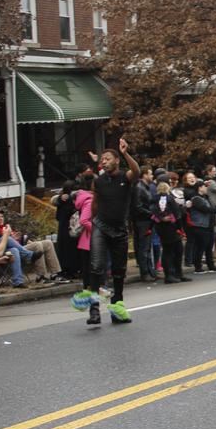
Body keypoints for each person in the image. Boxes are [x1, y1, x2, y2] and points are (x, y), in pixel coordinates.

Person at [85, 139, 140, 325]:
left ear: (116, 160)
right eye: (102, 159)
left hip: (120, 229)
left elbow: (137, 171)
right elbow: (95, 204)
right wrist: (92, 224)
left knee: (119, 271)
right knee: (96, 267)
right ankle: (94, 311)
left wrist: (125, 153)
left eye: (108, 158)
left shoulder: (125, 177)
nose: (104, 161)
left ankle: (117, 309)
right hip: (100, 226)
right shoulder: (98, 182)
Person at [151, 181, 189, 283]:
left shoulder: (154, 199)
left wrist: (160, 218)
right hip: (171, 228)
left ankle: (173, 274)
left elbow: (152, 213)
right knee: (175, 251)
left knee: (169, 250)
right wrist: (180, 228)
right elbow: (177, 214)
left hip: (161, 228)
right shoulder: (170, 199)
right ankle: (172, 274)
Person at [187, 179, 216, 273]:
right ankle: (198, 266)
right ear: (200, 188)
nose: (206, 188)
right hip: (200, 225)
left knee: (209, 246)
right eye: (204, 186)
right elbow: (206, 209)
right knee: (200, 247)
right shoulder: (196, 199)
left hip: (209, 225)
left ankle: (211, 265)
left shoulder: (206, 197)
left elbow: (212, 207)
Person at [132, 166, 156, 282]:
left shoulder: (145, 187)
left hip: (146, 220)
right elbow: (138, 206)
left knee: (146, 247)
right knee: (143, 247)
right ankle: (145, 272)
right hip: (142, 221)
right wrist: (151, 214)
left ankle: (150, 271)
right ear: (145, 175)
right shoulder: (139, 188)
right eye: (150, 174)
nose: (152, 176)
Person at [52, 181, 79, 280]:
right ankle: (73, 270)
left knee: (62, 249)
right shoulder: (72, 201)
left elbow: (58, 216)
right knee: (71, 250)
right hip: (72, 227)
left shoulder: (61, 199)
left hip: (62, 227)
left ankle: (64, 270)